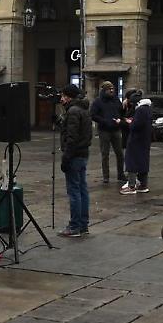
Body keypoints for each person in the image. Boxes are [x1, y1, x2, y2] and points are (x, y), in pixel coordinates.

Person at [58, 84, 92, 238]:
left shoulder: (72, 111)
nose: (61, 99)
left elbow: (71, 137)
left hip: (74, 155)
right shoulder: (84, 109)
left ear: (69, 97)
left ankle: (75, 226)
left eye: (63, 96)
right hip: (83, 153)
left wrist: (66, 157)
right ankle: (83, 224)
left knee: (74, 191)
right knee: (82, 189)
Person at [89, 81, 124, 185]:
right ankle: (106, 176)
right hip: (104, 130)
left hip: (116, 129)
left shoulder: (116, 100)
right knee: (105, 154)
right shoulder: (98, 101)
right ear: (104, 90)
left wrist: (119, 119)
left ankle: (121, 174)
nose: (112, 91)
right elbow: (93, 115)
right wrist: (104, 121)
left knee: (120, 153)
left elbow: (121, 111)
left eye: (112, 89)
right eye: (109, 89)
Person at [121, 95, 152, 194]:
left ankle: (131, 186)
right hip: (145, 140)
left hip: (136, 140)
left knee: (132, 162)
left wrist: (129, 122)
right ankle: (143, 185)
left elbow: (136, 125)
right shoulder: (148, 108)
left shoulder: (140, 110)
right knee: (143, 161)